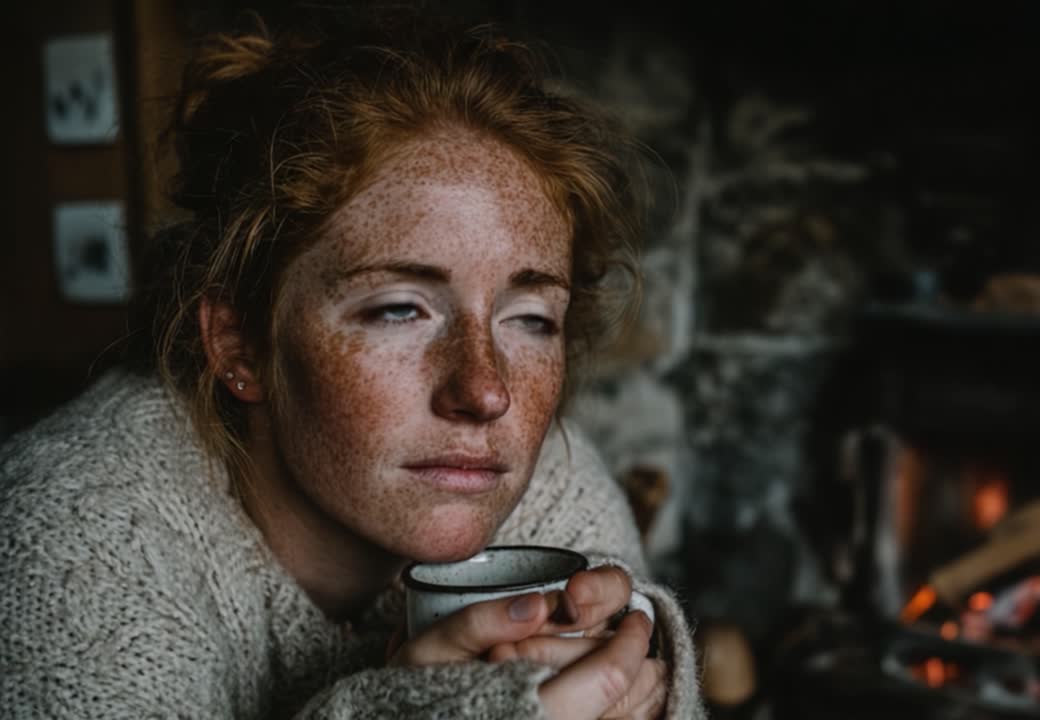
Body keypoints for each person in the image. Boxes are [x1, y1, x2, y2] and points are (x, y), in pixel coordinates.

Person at [0, 10, 705, 720]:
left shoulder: (550, 483)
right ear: (239, 344)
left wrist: (644, 687)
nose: (486, 391)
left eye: (530, 319)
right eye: (398, 309)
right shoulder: (69, 545)